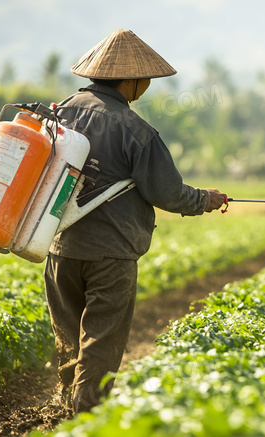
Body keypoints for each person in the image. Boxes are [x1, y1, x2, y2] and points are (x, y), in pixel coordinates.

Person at [44, 29, 227, 413]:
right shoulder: (135, 130)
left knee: (69, 336)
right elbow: (169, 193)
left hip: (57, 247)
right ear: (130, 79)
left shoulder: (58, 112)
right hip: (111, 254)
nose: (145, 86)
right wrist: (205, 199)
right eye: (145, 80)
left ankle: (66, 406)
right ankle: (87, 416)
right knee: (101, 340)